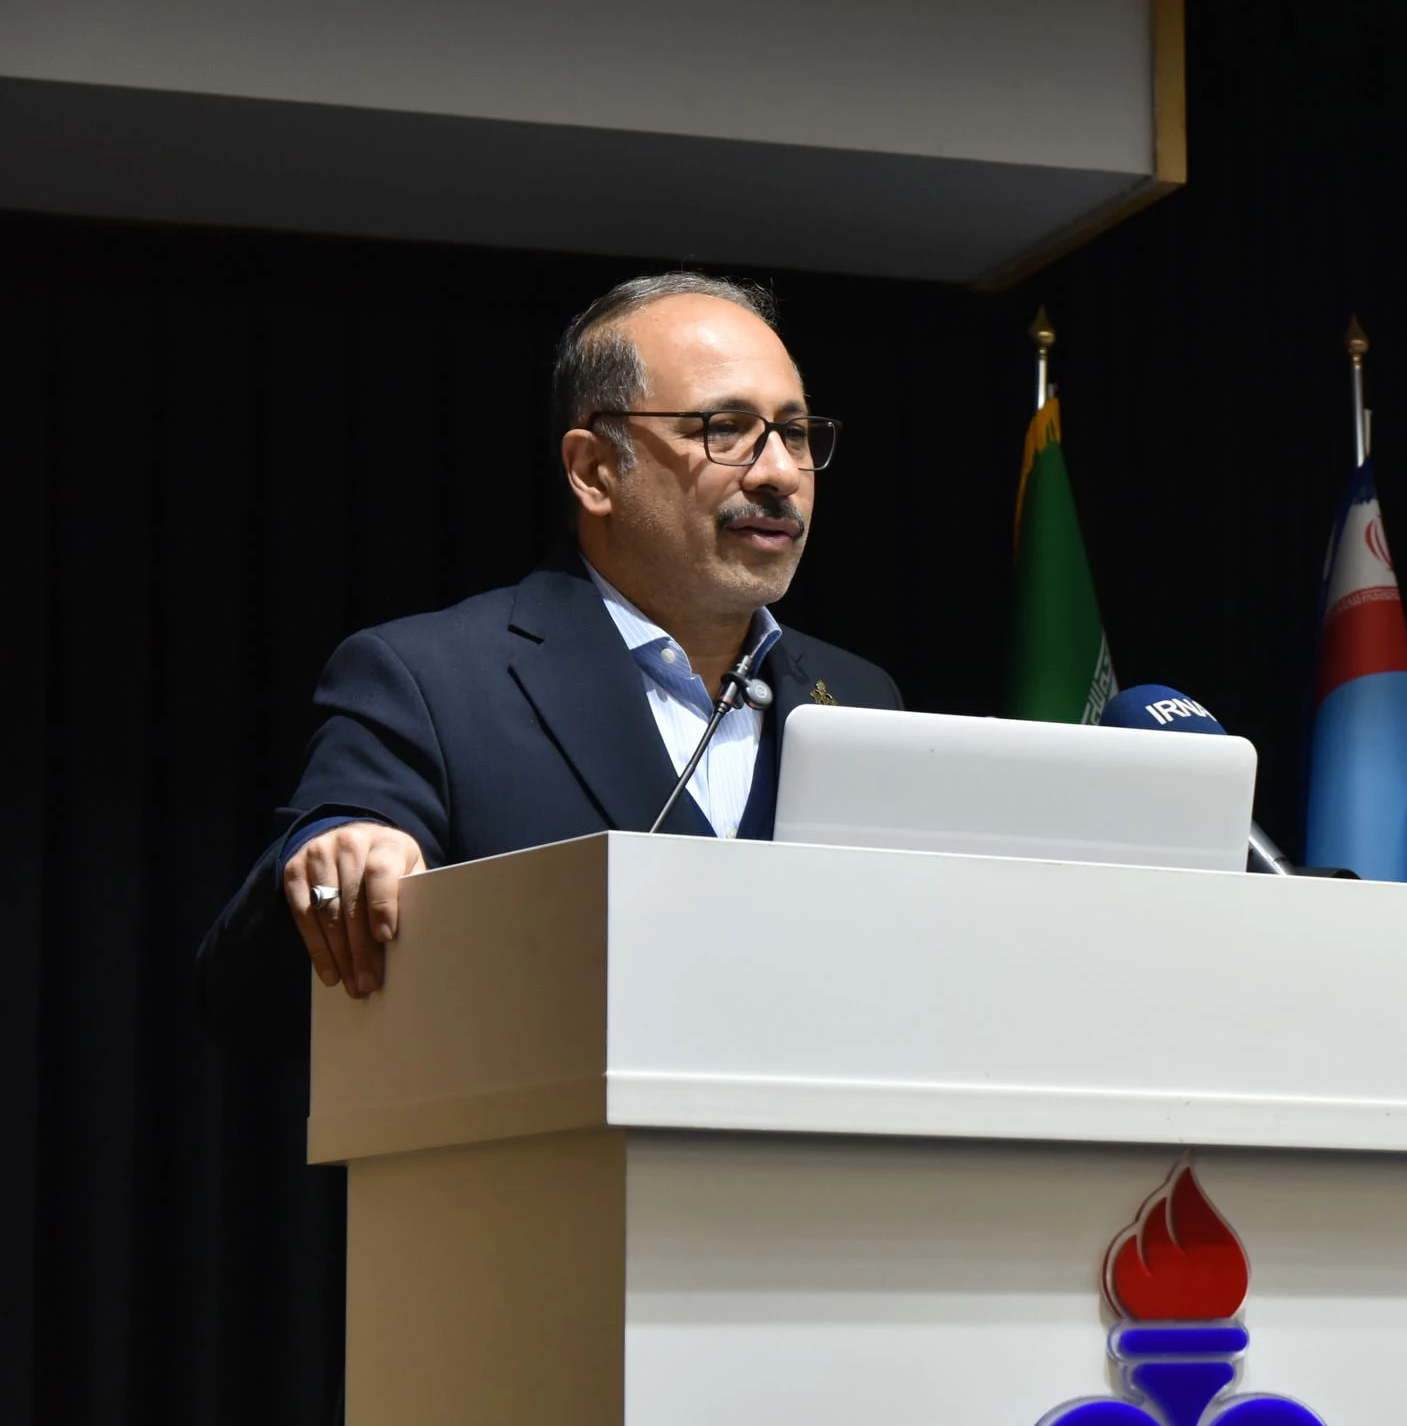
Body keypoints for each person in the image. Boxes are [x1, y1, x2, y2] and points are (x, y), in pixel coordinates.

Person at [197, 273, 902, 1045]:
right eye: (725, 429)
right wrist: (336, 859)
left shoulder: (860, 699)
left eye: (794, 433)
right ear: (595, 471)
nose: (779, 474)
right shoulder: (430, 680)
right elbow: (255, 988)